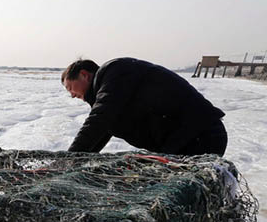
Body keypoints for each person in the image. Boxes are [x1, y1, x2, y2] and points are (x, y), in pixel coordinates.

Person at [62, 57, 227, 155]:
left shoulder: (115, 72)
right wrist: (74, 162)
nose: (72, 95)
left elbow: (99, 120)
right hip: (181, 144)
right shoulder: (111, 92)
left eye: (70, 88)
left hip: (201, 135)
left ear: (84, 75)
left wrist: (66, 160)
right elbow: (100, 133)